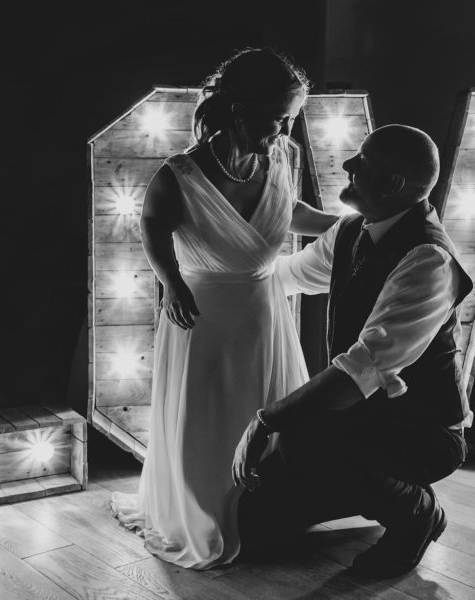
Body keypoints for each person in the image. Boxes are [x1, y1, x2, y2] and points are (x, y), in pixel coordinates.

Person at [110, 48, 338, 570]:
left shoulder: (284, 159)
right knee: (209, 414)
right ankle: (206, 512)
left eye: (291, 118)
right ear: (241, 110)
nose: (286, 129)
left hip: (263, 308)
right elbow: (152, 225)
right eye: (280, 116)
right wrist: (170, 282)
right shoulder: (181, 174)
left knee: (267, 406)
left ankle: (267, 510)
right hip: (204, 313)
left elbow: (287, 213)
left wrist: (342, 227)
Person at [231, 124, 474, 579]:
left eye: (361, 161)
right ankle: (357, 488)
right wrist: (215, 279)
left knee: (301, 436)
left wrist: (266, 420)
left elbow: (355, 374)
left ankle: (414, 512)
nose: (347, 165)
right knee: (251, 528)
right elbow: (287, 275)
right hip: (362, 421)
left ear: (393, 184)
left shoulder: (428, 260)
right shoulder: (350, 231)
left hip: (423, 432)